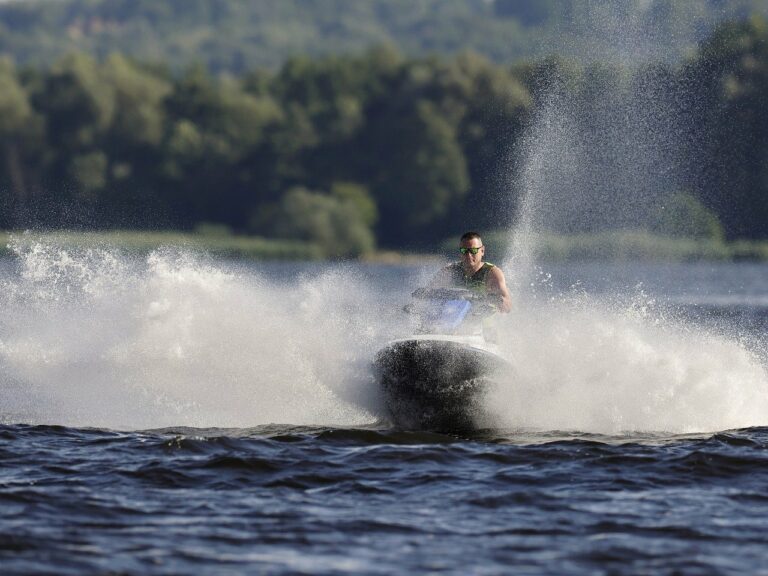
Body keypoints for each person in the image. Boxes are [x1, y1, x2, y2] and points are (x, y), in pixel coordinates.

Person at [431, 231, 512, 313]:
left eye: (473, 250)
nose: (468, 255)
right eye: (464, 251)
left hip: (484, 323)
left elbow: (508, 306)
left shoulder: (492, 273)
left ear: (482, 251)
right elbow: (428, 292)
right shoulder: (450, 270)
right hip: (456, 320)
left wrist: (496, 300)